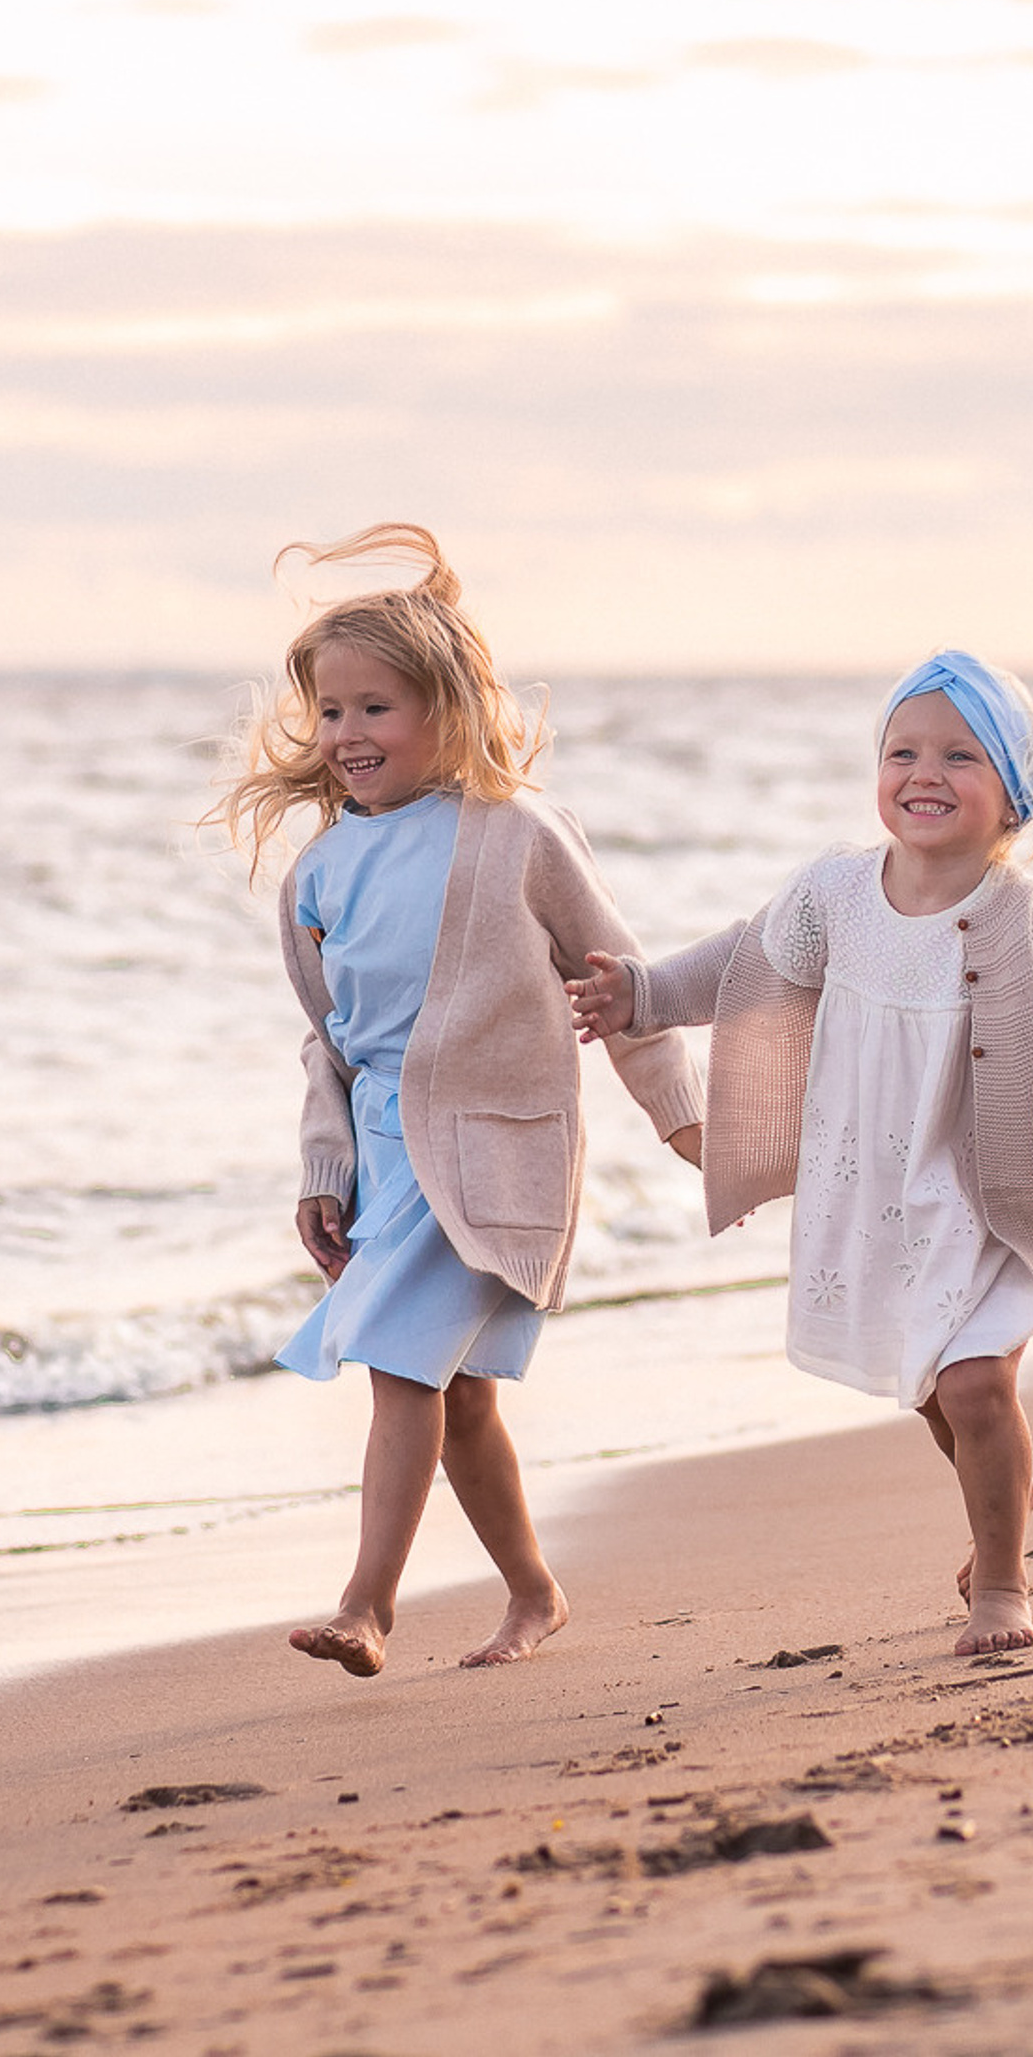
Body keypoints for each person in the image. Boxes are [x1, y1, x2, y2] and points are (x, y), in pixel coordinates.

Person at [568, 651, 1033, 1657]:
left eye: (959, 756)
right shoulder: (836, 894)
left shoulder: (1022, 924)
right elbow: (743, 963)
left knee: (972, 1382)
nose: (924, 773)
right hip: (878, 1201)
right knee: (935, 1383)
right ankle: (997, 1500)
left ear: (1015, 796)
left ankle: (1001, 1585)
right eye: (902, 751)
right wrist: (645, 992)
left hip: (999, 1212)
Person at [212, 524, 703, 1677]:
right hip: (390, 1160)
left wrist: (684, 1120)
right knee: (462, 1399)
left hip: (493, 1150)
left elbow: (621, 985)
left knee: (397, 1366)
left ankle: (365, 1603)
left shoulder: (518, 835)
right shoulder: (319, 874)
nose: (346, 735)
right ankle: (535, 1593)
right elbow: (325, 1045)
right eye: (328, 713)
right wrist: (323, 1173)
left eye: (374, 708)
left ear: (447, 708)